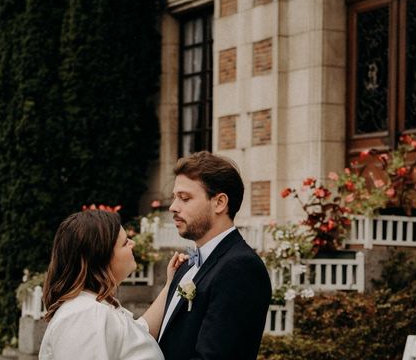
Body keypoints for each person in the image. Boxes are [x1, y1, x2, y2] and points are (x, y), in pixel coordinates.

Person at [158, 151, 272, 360]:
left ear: (219, 202)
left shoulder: (241, 268)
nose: (173, 207)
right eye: (175, 198)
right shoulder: (185, 266)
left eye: (185, 198)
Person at [39, 209, 186, 360]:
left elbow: (140, 335)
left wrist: (170, 284)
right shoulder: (85, 315)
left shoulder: (94, 307)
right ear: (101, 257)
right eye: (124, 243)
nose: (133, 243)